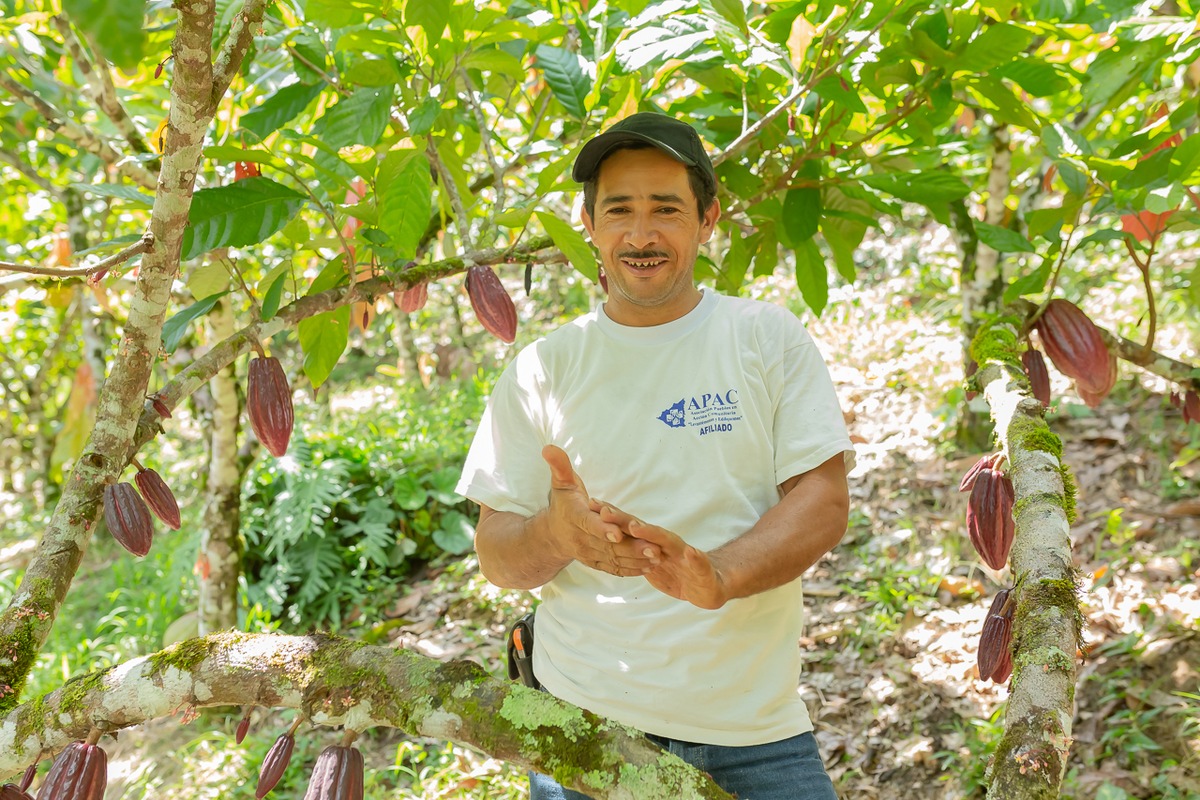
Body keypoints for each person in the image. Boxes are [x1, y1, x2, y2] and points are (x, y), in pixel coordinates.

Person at [455, 111, 855, 800]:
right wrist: (556, 534)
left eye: (666, 209)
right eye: (620, 211)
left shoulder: (766, 338)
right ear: (589, 224)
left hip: (753, 730)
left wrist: (718, 574)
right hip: (584, 730)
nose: (641, 235)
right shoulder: (542, 368)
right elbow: (497, 554)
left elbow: (822, 499)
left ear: (708, 220)